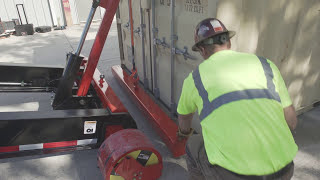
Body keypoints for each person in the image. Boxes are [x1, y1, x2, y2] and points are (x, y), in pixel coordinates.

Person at [176, 18, 298, 180]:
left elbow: (184, 118)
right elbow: (292, 122)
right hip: (284, 169)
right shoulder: (265, 65)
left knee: (193, 145)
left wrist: (183, 133)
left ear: (202, 50)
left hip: (234, 175)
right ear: (229, 43)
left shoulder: (195, 79)